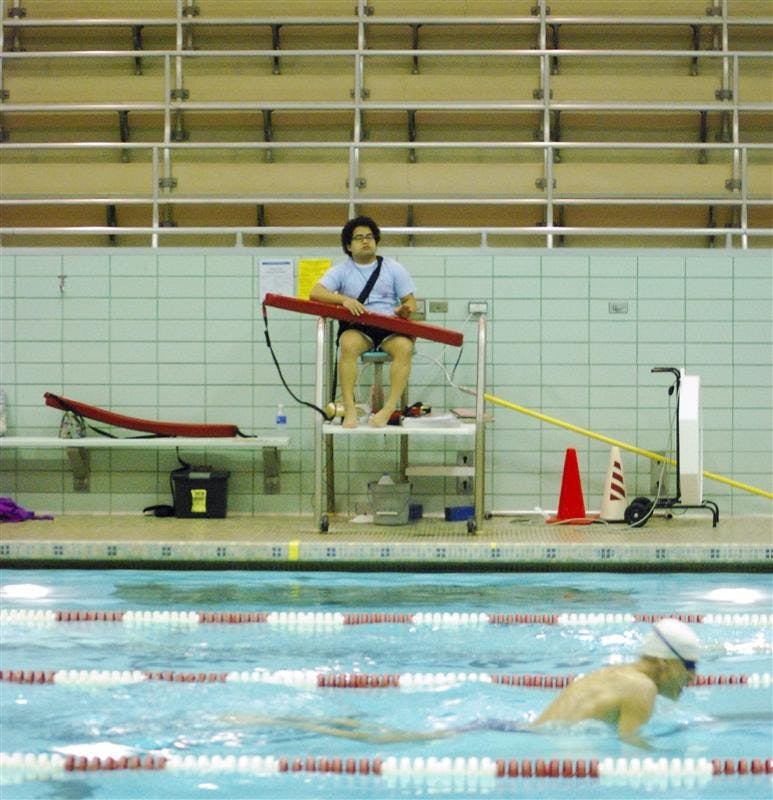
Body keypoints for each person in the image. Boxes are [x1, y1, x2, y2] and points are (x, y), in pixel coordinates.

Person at [310, 216, 417, 428]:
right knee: (347, 345)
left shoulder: (393, 268)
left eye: (369, 237)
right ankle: (350, 409)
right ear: (349, 245)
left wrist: (406, 309)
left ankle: (388, 410)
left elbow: (409, 299)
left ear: (376, 241)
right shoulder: (341, 270)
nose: (366, 241)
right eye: (359, 238)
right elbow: (315, 292)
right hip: (357, 326)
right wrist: (344, 299)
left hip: (389, 324)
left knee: (405, 347)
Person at [533, 617, 700, 748]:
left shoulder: (619, 674)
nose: (693, 677)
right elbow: (632, 751)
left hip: (538, 739)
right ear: (665, 663)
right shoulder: (641, 687)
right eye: (689, 666)